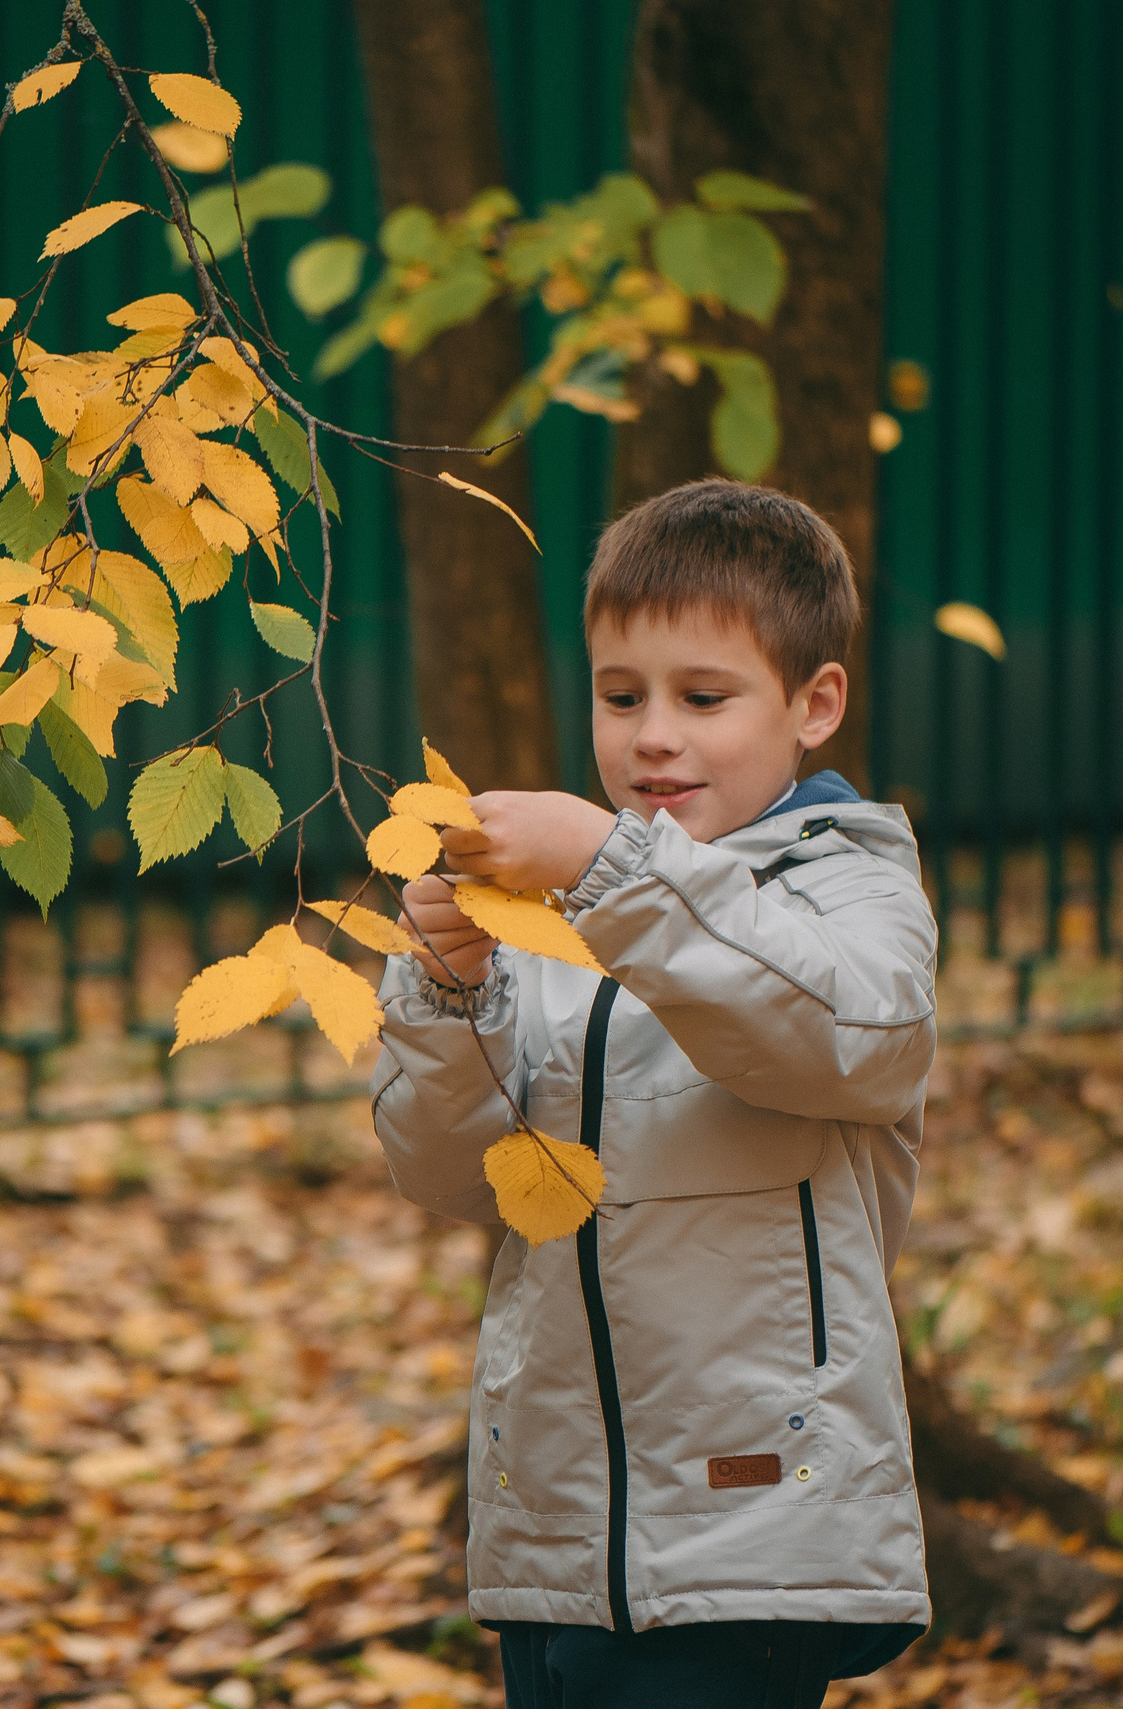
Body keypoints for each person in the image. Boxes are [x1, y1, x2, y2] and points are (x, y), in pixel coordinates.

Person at [372, 478, 938, 1709]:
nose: (651, 736)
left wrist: (613, 871)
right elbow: (454, 1175)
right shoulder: (554, 912)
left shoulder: (848, 889)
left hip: (751, 1528)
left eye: (702, 696)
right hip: (556, 1526)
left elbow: (839, 1032)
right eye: (620, 695)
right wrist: (451, 990)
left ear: (813, 704)